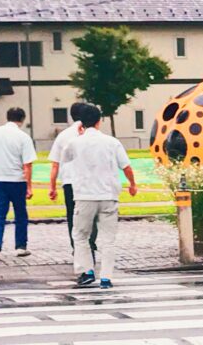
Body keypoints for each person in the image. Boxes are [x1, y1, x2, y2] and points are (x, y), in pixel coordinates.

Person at [61, 103, 137, 289]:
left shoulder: (74, 143)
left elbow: (65, 160)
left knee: (80, 235)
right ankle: (106, 277)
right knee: (108, 238)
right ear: (99, 121)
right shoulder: (112, 142)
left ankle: (86, 270)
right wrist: (132, 184)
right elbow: (126, 166)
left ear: (81, 123)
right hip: (108, 195)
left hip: (84, 195)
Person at [0, 107, 36, 262]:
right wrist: (29, 186)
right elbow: (27, 165)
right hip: (17, 180)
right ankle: (20, 246)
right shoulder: (23, 137)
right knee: (20, 214)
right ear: (22, 119)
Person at [48, 101, 97, 253]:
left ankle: (76, 245)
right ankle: (90, 241)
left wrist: (52, 187)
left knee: (72, 215)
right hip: (88, 181)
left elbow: (55, 164)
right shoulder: (93, 135)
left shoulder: (63, 136)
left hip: (69, 181)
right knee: (91, 213)